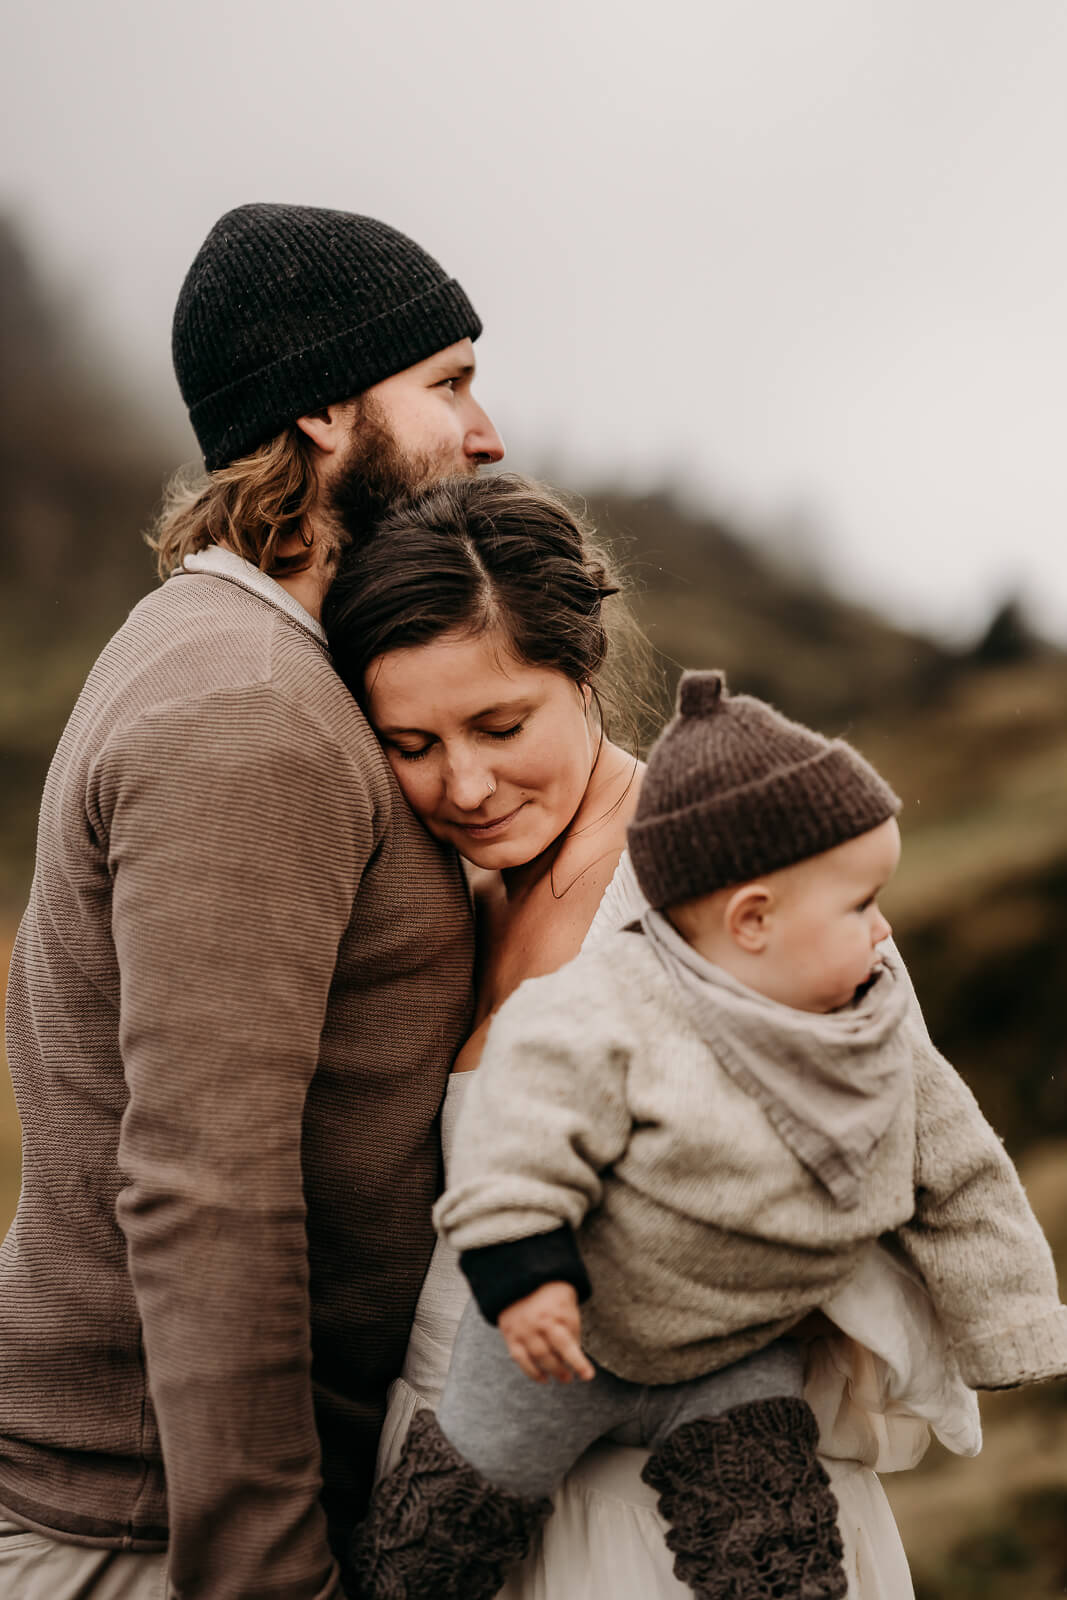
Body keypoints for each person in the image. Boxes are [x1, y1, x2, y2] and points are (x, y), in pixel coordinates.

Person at [322, 474, 998, 1600]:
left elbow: (886, 1157)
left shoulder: (734, 891)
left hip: (671, 1523)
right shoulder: (459, 900)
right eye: (411, 743)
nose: (467, 783)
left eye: (501, 724)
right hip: (465, 1480)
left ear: (583, 678)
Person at [0, 201, 504, 1600]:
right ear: (330, 409)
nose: (487, 432)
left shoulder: (240, 656)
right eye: (449, 384)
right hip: (156, 1535)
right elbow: (203, 1186)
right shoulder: (249, 712)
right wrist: (270, 1573)